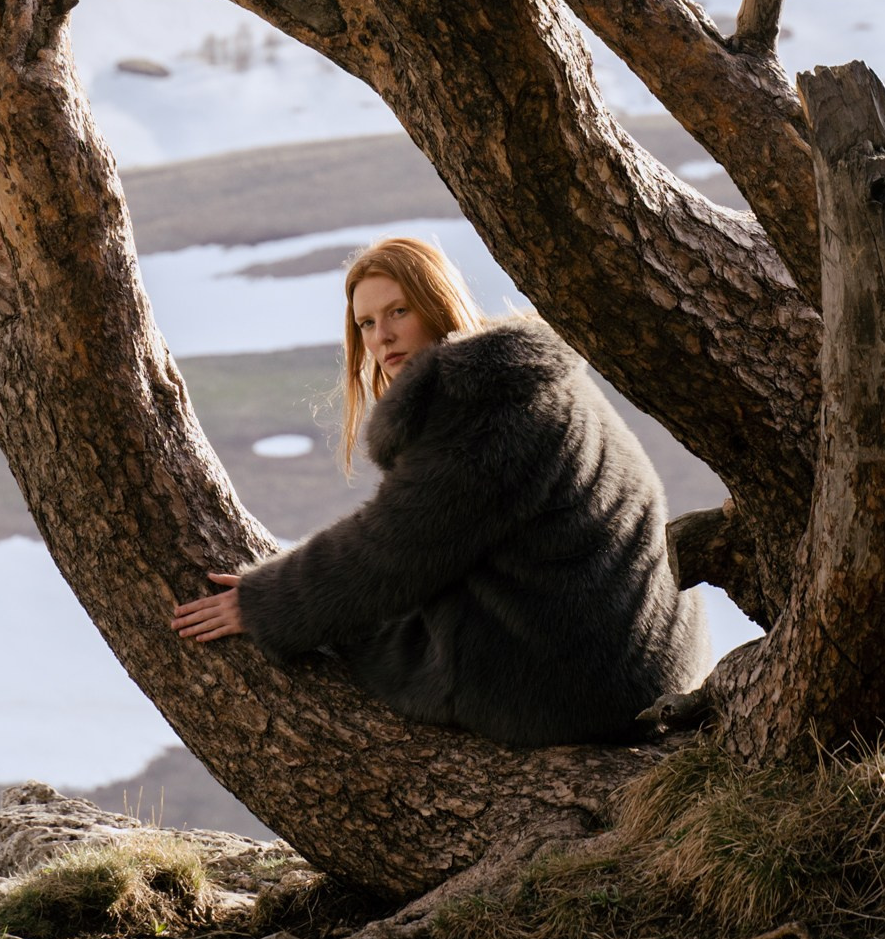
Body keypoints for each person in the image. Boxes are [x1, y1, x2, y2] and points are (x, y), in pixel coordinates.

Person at [170, 235, 708, 747]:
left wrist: (265, 604)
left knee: (365, 636)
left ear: (437, 302)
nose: (381, 337)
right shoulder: (521, 375)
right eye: (366, 323)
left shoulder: (488, 408)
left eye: (399, 311)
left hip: (576, 686)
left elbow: (390, 552)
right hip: (645, 661)